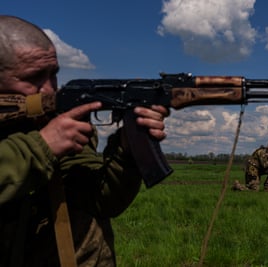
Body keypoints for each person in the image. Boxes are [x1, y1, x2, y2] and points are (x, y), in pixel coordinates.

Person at [0, 15, 169, 266]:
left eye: (53, 74)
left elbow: (99, 200)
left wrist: (126, 146)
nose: (49, 89)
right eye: (33, 77)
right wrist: (42, 147)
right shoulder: (49, 133)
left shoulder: (55, 122)